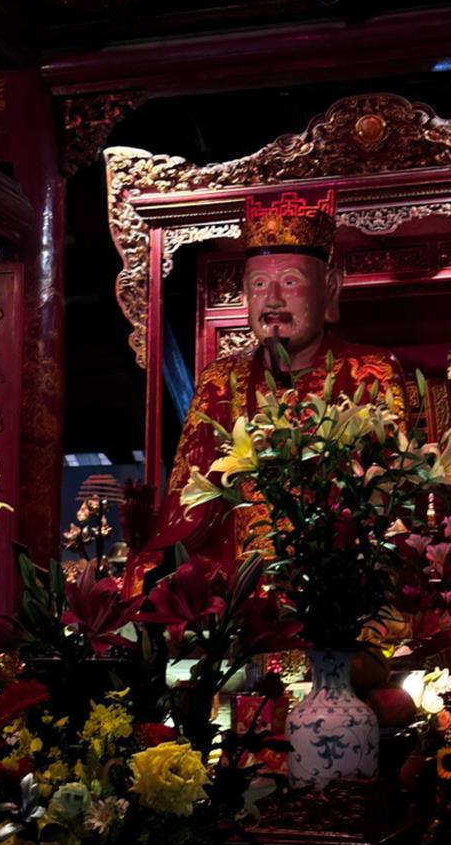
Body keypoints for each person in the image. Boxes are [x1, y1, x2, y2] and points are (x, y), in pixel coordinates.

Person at [129, 189, 407, 586]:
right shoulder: (220, 380)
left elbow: (389, 495)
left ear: (329, 289)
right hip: (240, 579)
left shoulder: (369, 372)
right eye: (259, 284)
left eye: (290, 282)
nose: (272, 300)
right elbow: (189, 499)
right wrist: (153, 545)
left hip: (339, 576)